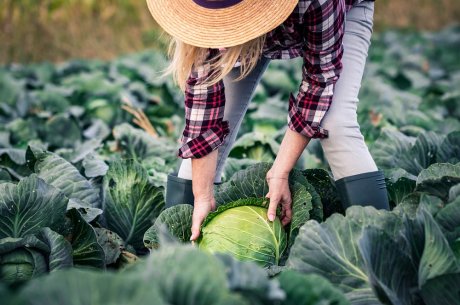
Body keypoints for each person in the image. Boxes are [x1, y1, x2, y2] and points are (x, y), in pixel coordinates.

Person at [146, 0, 389, 241]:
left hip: (342, 11)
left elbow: (320, 80)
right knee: (203, 152)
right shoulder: (205, 13)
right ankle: (176, 250)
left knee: (336, 123)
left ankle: (382, 251)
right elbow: (203, 111)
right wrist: (202, 196)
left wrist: (280, 172)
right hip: (242, 23)